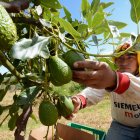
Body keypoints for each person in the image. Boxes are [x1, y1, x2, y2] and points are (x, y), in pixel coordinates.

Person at [70, 42, 140, 140]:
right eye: (120, 58)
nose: (124, 62)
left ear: (138, 61)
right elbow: (94, 92)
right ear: (115, 62)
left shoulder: (114, 79)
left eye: (130, 58)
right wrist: (80, 99)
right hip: (120, 126)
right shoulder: (111, 80)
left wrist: (115, 80)